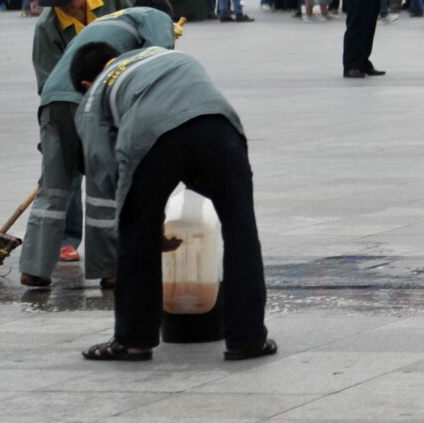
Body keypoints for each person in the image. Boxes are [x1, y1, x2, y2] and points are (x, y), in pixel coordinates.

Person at [69, 41, 273, 363]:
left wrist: (141, 221)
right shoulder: (166, 53)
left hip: (152, 134)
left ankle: (134, 341)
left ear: (85, 84)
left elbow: (101, 163)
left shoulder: (96, 92)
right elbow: (189, 117)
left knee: (136, 235)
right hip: (220, 125)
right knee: (241, 231)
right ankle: (247, 339)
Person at [19, 0, 140, 286]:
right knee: (78, 178)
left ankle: (43, 265)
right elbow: (48, 84)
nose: (63, 8)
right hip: (75, 101)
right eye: (53, 0)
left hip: (107, 95)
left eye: (67, 0)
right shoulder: (47, 26)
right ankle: (83, 250)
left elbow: (143, 13)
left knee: (73, 182)